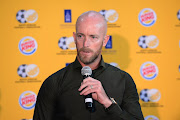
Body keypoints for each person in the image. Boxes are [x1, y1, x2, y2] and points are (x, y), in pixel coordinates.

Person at [33, 11, 144, 120]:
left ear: (105, 40)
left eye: (93, 37)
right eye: (81, 36)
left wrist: (108, 103)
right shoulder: (54, 82)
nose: (86, 44)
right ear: (74, 37)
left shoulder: (123, 80)